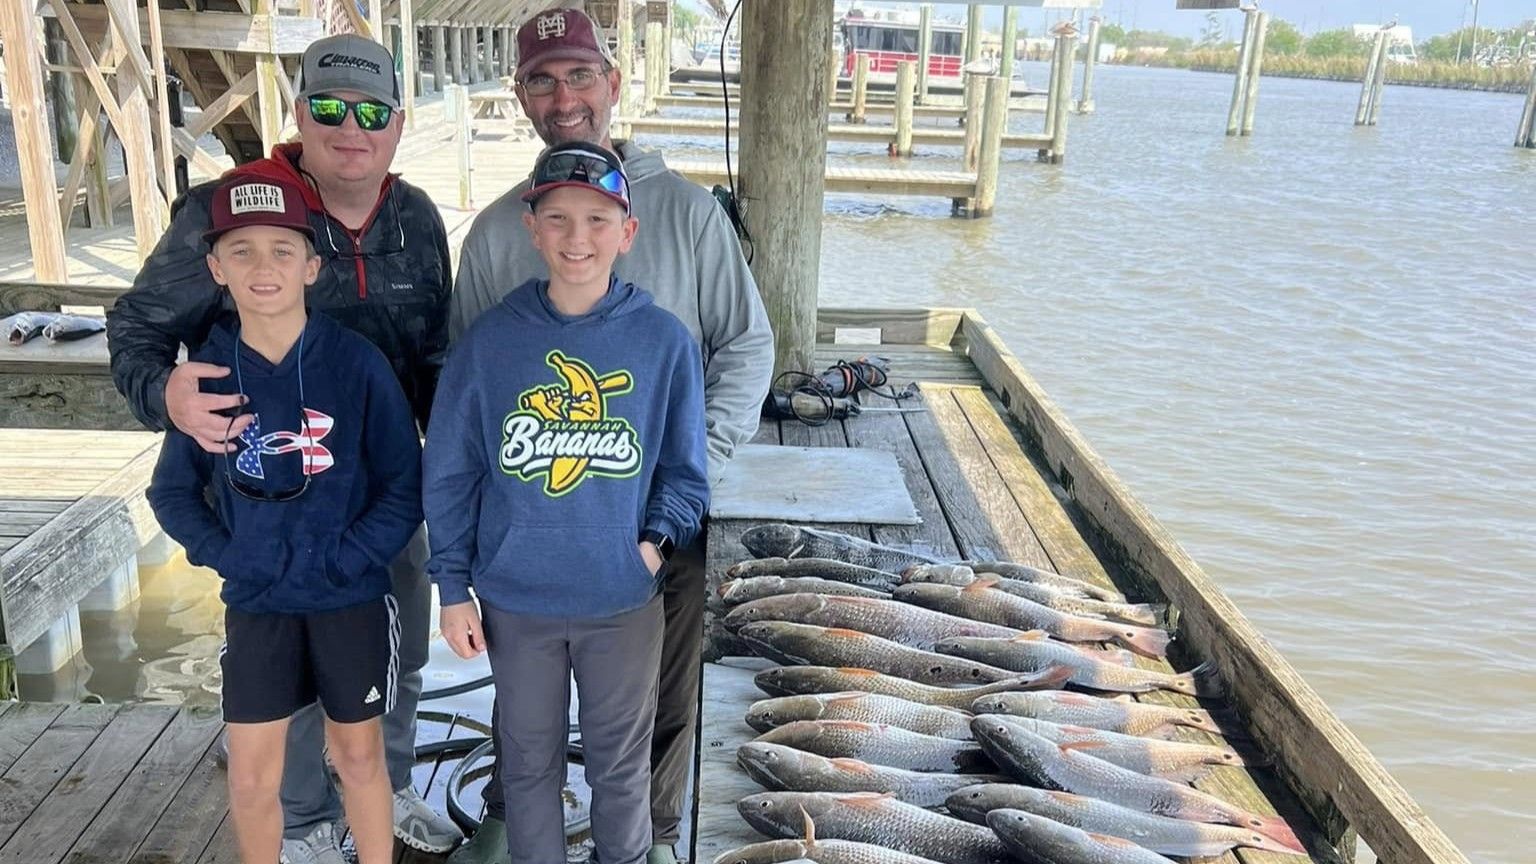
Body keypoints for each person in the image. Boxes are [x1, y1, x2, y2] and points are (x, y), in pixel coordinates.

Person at [105, 35, 462, 863]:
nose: (351, 128)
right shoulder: (227, 210)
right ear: (298, 114)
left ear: (398, 127)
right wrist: (165, 394)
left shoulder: (415, 217)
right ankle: (303, 823)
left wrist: (461, 467)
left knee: (393, 655)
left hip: (382, 492)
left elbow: (440, 353)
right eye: (330, 107)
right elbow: (136, 327)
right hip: (266, 493)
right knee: (284, 690)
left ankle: (386, 789)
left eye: (371, 113)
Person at [447, 10, 774, 864]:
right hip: (534, 541)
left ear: (614, 83)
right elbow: (463, 394)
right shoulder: (491, 235)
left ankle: (652, 840)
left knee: (656, 706)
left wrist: (691, 472)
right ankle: (520, 824)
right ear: (519, 95)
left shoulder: (693, 213)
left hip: (653, 524)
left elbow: (747, 342)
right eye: (543, 80)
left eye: (580, 76)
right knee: (526, 715)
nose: (564, 97)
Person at [426, 141, 710, 864]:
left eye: (596, 218)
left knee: (621, 767)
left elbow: (685, 473)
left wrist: (647, 548)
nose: (576, 237)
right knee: (526, 767)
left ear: (628, 231)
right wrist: (453, 586)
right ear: (532, 227)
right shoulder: (489, 345)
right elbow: (452, 472)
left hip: (621, 601)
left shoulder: (664, 343)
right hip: (515, 601)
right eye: (557, 218)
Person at [145, 174, 422, 864]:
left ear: (312, 265)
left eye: (280, 250)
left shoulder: (357, 365)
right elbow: (172, 495)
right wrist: (229, 554)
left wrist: (351, 556)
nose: (262, 268)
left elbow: (404, 483)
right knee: (249, 773)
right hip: (257, 603)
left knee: (359, 758)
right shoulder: (205, 376)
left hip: (348, 599)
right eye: (240, 252)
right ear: (215, 268)